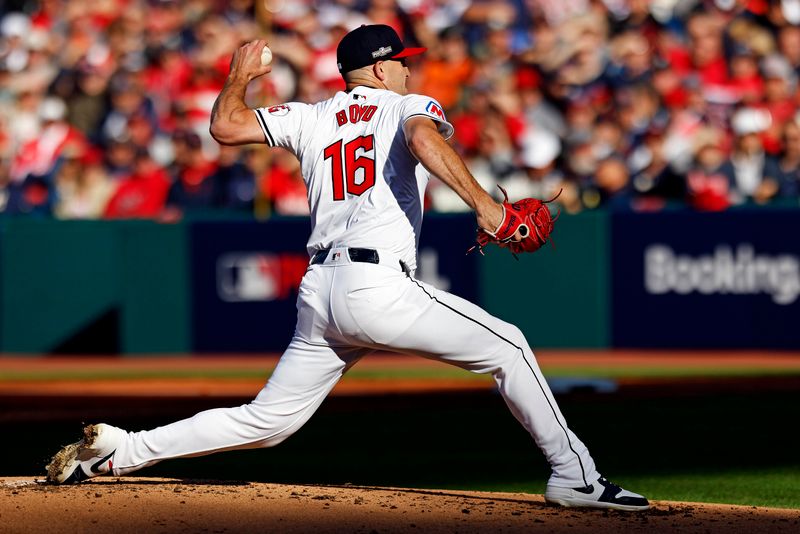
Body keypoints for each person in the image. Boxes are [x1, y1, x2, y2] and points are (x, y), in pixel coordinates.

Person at [45, 25, 649, 512]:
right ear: (384, 68)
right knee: (510, 347)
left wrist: (239, 77)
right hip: (375, 285)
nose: (411, 69)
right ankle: (576, 478)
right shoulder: (406, 103)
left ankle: (119, 453)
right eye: (404, 61)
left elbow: (225, 126)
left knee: (268, 421)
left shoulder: (313, 115)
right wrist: (486, 205)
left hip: (321, 292)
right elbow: (419, 136)